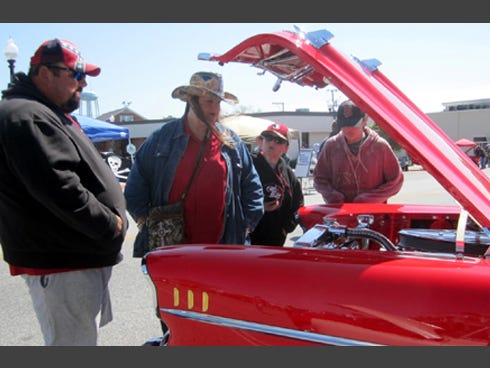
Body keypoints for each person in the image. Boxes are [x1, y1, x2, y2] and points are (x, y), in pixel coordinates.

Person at [0, 38, 128, 345]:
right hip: (62, 266)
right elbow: (60, 188)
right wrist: (110, 224)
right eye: (76, 74)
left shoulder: (43, 112)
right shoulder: (26, 115)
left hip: (73, 261)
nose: (83, 83)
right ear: (45, 73)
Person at [124, 71, 264, 257]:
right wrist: (145, 223)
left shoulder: (231, 142)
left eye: (218, 102)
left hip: (222, 249)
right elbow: (135, 186)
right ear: (191, 100)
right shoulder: (162, 139)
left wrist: (246, 226)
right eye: (209, 102)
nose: (215, 109)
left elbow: (252, 186)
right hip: (174, 251)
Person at [313, 100, 403, 204]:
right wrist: (333, 196)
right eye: (344, 124)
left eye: (353, 124)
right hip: (340, 212)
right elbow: (319, 178)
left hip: (373, 213)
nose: (348, 128)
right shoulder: (331, 146)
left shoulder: (379, 147)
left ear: (364, 120)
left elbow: (396, 181)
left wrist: (369, 199)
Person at [250, 122, 304, 246]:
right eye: (268, 138)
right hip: (250, 239)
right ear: (261, 141)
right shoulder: (249, 166)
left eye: (278, 140)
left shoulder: (288, 172)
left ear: (286, 148)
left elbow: (298, 202)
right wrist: (259, 208)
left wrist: (286, 227)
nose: (272, 143)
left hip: (278, 239)